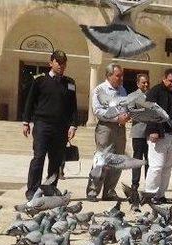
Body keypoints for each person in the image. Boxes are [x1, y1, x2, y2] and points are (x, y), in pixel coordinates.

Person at [22, 50, 78, 200]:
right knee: (38, 157)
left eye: (64, 63)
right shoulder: (39, 80)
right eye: (58, 62)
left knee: (56, 160)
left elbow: (73, 106)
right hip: (42, 125)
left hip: (60, 127)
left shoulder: (70, 83)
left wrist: (73, 125)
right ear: (51, 63)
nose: (61, 65)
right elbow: (29, 101)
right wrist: (26, 121)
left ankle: (50, 188)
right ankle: (32, 190)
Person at [87, 62, 130, 200]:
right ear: (109, 75)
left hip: (120, 129)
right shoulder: (100, 89)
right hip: (106, 128)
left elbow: (125, 107)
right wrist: (117, 117)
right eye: (118, 76)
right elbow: (97, 111)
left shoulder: (122, 90)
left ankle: (109, 191)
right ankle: (93, 191)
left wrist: (127, 114)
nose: (121, 78)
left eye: (121, 75)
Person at [144, 68, 172, 204]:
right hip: (158, 135)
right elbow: (150, 111)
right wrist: (153, 130)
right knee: (156, 166)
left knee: (167, 167)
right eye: (170, 81)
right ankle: (150, 194)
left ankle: (160, 195)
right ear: (164, 79)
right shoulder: (155, 91)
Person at [129, 73, 150, 190]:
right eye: (143, 82)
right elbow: (131, 112)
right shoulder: (133, 96)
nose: (146, 84)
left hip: (150, 133)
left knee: (149, 160)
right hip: (138, 132)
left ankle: (149, 184)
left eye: (147, 82)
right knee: (137, 159)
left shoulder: (152, 95)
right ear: (138, 83)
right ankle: (134, 184)